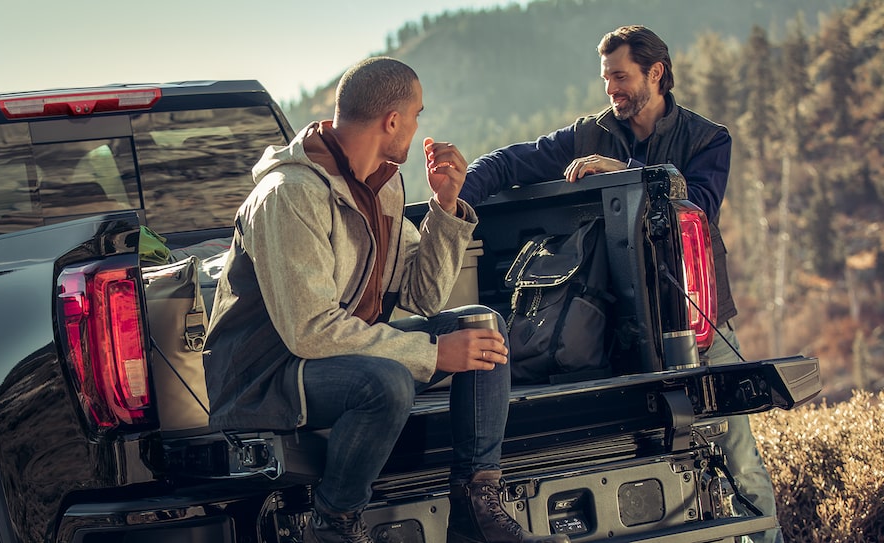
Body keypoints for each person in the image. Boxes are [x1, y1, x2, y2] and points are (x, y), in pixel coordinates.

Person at [203, 57, 569, 543]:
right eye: (417, 114)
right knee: (388, 382)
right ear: (392, 121)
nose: (419, 126)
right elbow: (310, 331)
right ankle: (333, 526)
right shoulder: (288, 195)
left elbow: (423, 295)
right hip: (267, 376)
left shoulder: (384, 182)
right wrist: (433, 354)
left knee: (481, 326)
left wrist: (445, 206)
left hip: (337, 354)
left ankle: (474, 510)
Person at [459, 25, 782, 543]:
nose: (611, 88)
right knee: (649, 458)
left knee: (740, 461)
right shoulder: (589, 132)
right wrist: (454, 201)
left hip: (697, 323)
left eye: (621, 76)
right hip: (619, 332)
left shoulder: (707, 138)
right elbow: (507, 163)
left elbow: (695, 202)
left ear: (656, 73)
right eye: (605, 78)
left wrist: (623, 170)